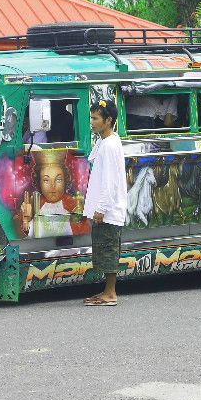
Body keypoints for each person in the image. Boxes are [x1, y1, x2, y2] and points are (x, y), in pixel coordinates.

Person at [83, 100, 127, 306]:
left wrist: (101, 208)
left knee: (108, 251)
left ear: (108, 121)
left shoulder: (109, 145)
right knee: (104, 249)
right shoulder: (106, 141)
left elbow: (110, 181)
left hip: (108, 210)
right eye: (91, 117)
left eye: (95, 118)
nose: (91, 122)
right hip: (106, 209)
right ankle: (106, 291)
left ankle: (110, 294)